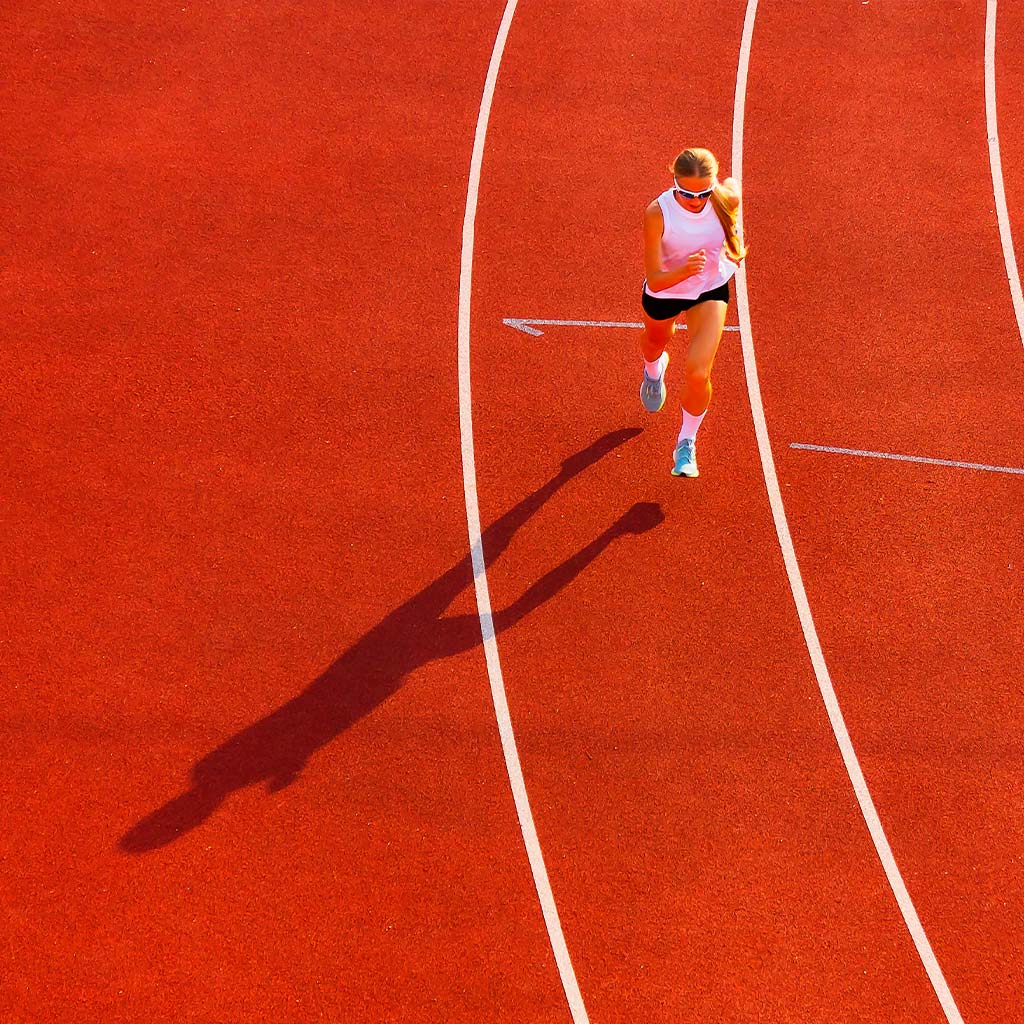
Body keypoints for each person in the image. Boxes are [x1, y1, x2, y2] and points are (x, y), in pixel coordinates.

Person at [638, 147, 747, 477]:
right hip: (667, 289)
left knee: (699, 372)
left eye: (703, 193)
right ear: (674, 183)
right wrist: (685, 270)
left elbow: (735, 187)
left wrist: (734, 246)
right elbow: (655, 279)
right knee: (656, 341)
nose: (696, 200)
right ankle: (653, 370)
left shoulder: (723, 199)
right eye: (687, 193)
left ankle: (686, 443)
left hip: (709, 290)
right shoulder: (658, 212)